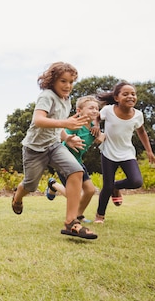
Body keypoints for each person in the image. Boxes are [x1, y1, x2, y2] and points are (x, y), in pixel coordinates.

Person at [11, 62, 98, 240]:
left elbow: (57, 126)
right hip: (34, 149)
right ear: (52, 81)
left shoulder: (67, 100)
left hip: (54, 145)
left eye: (71, 82)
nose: (68, 86)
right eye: (63, 81)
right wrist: (66, 124)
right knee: (30, 185)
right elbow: (39, 120)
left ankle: (71, 222)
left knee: (77, 171)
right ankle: (17, 197)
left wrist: (67, 138)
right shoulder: (47, 96)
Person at [94, 81, 155, 223]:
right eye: (126, 94)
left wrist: (149, 151)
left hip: (127, 153)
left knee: (136, 181)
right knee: (107, 186)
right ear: (117, 98)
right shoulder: (109, 110)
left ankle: (115, 187)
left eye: (133, 94)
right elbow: (97, 117)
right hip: (108, 152)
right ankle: (100, 215)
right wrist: (97, 126)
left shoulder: (138, 115)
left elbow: (141, 131)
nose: (131, 96)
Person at [46, 95, 105, 223]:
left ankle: (78, 215)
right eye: (91, 108)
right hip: (64, 161)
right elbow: (59, 131)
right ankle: (53, 184)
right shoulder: (75, 124)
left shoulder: (93, 129)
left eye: (96, 108)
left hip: (77, 162)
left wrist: (101, 134)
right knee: (74, 194)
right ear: (79, 111)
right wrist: (69, 138)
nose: (95, 110)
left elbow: (103, 136)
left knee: (90, 190)